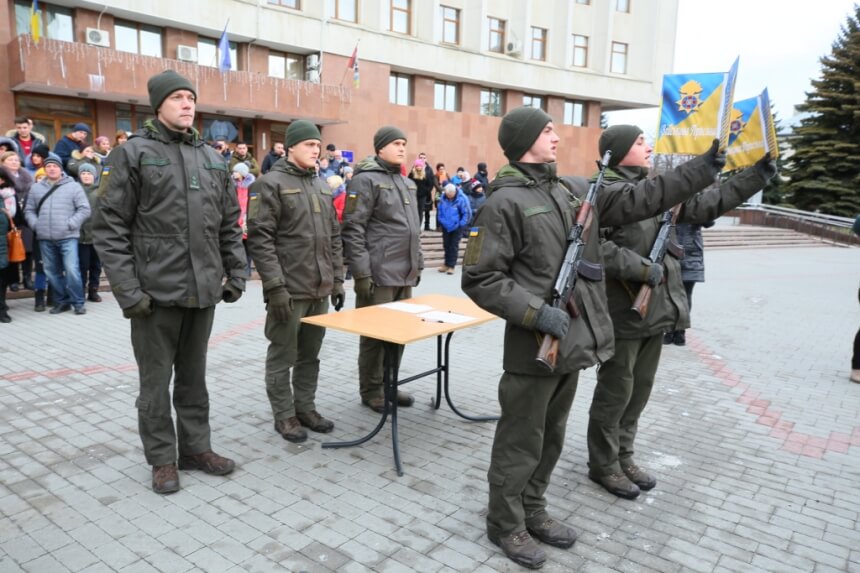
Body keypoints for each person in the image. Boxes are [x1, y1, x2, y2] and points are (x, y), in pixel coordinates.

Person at [461, 107, 728, 569]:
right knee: (520, 441)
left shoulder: (566, 191)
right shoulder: (502, 202)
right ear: (525, 138)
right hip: (533, 347)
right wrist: (536, 314)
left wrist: (701, 168)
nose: (556, 136)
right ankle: (505, 523)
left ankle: (534, 510)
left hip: (571, 342)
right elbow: (481, 278)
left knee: (551, 438)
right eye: (547, 130)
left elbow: (644, 198)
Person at [587, 125, 776, 501]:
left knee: (638, 391)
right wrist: (639, 268)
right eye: (640, 142)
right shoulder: (603, 191)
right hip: (621, 310)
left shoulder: (659, 190)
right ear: (620, 149)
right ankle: (603, 464)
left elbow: (707, 204)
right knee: (615, 392)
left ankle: (624, 456)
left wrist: (755, 174)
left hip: (652, 311)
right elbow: (595, 248)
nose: (648, 146)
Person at [92, 69, 248, 495]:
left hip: (203, 291)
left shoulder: (212, 158)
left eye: (191, 97)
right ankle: (162, 458)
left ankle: (196, 449)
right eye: (177, 97)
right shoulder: (133, 154)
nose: (187, 104)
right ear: (157, 104)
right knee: (155, 384)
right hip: (154, 296)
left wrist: (236, 272)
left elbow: (229, 224)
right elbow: (107, 227)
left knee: (194, 378)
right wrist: (129, 292)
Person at [247, 120, 345, 443]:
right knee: (282, 354)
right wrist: (274, 287)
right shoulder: (269, 184)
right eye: (308, 145)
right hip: (288, 291)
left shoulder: (321, 186)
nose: (315, 150)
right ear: (290, 147)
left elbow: (334, 237)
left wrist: (338, 281)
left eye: (318, 145)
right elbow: (261, 240)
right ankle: (284, 415)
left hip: (319, 288)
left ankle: (306, 407)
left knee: (310, 355)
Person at [341, 125, 423, 413]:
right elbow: (353, 229)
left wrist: (419, 262)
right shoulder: (365, 181)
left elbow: (414, 229)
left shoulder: (406, 182)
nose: (402, 148)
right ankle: (372, 389)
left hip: (404, 272)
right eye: (396, 143)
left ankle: (390, 383)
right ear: (380, 148)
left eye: (404, 143)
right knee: (375, 335)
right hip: (378, 273)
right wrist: (361, 273)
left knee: (398, 333)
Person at [24, 153, 91, 315]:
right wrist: (36, 225)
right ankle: (62, 302)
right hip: (45, 237)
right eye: (48, 166)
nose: (52, 169)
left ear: (61, 169)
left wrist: (71, 224)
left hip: (68, 236)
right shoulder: (36, 188)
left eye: (55, 166)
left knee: (72, 269)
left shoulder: (73, 186)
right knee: (51, 272)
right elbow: (29, 210)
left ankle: (78, 302)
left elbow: (84, 209)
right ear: (44, 169)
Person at [664, 219, 715, 346]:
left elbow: (709, 222)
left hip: (691, 255)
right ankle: (669, 330)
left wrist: (699, 211)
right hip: (670, 253)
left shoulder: (696, 204)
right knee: (670, 293)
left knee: (686, 295)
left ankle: (680, 331)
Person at [1, 151, 34, 291]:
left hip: (24, 216)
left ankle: (27, 278)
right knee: (11, 248)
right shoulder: (3, 178)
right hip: (7, 218)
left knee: (27, 248)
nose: (14, 162)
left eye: (16, 160)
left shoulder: (26, 176)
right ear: (3, 162)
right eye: (11, 160)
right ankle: (13, 280)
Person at [76, 163, 102, 303]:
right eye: (83, 173)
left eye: (89, 173)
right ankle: (80, 291)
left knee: (96, 266)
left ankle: (93, 291)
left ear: (94, 176)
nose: (86, 176)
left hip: (97, 236)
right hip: (81, 237)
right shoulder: (75, 190)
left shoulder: (99, 191)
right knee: (82, 266)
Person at [436, 183, 471, 275]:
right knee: (446, 245)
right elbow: (440, 212)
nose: (449, 197)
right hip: (446, 226)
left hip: (457, 227)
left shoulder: (461, 199)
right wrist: (441, 221)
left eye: (451, 195)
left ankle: (451, 266)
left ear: (455, 192)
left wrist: (461, 224)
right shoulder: (443, 199)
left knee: (453, 246)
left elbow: (465, 213)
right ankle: (446, 264)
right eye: (448, 195)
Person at [231, 162, 254, 276]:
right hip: (235, 217)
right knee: (237, 246)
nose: (234, 174)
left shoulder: (251, 186)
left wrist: (247, 216)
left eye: (236, 172)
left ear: (242, 173)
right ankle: (238, 270)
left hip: (246, 218)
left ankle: (247, 270)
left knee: (247, 246)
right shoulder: (232, 185)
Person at [408, 159, 435, 231]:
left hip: (422, 196)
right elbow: (408, 183)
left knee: (420, 211)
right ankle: (413, 226)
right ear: (415, 166)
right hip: (413, 195)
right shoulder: (412, 174)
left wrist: (426, 192)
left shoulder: (425, 174)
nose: (419, 167)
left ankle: (418, 227)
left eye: (420, 166)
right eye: (417, 166)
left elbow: (430, 184)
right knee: (413, 211)